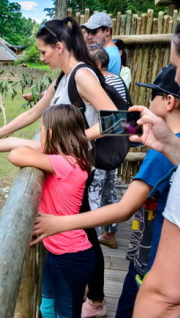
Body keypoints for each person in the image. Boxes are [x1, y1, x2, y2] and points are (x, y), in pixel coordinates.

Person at [0, 16, 119, 317]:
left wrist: (72, 142)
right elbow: (35, 112)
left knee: (85, 233)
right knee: (84, 231)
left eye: (43, 52)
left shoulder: (82, 75)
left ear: (59, 47)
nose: (41, 58)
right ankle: (93, 298)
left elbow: (118, 121)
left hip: (76, 165)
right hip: (67, 161)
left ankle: (95, 300)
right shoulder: (62, 78)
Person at [28, 63, 180, 317]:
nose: (146, 102)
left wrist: (60, 223)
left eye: (152, 95)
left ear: (168, 102)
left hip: (154, 263)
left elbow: (124, 208)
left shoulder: (160, 154)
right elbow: (120, 125)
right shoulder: (164, 139)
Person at [0, 104, 95, 317]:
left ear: (51, 134)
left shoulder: (68, 164)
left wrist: (39, 145)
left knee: (65, 313)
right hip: (55, 251)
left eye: (42, 130)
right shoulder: (67, 157)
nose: (39, 135)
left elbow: (16, 154)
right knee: (46, 307)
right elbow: (16, 142)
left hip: (72, 256)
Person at [129, 22, 180, 317]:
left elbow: (166, 295)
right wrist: (170, 146)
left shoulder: (156, 158)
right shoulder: (167, 147)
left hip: (150, 267)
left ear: (169, 101)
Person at [88, 47, 129, 250]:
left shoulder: (103, 84)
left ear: (96, 65)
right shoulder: (118, 80)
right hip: (114, 146)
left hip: (103, 147)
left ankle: (92, 241)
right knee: (108, 191)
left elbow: (113, 119)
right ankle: (109, 234)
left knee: (94, 193)